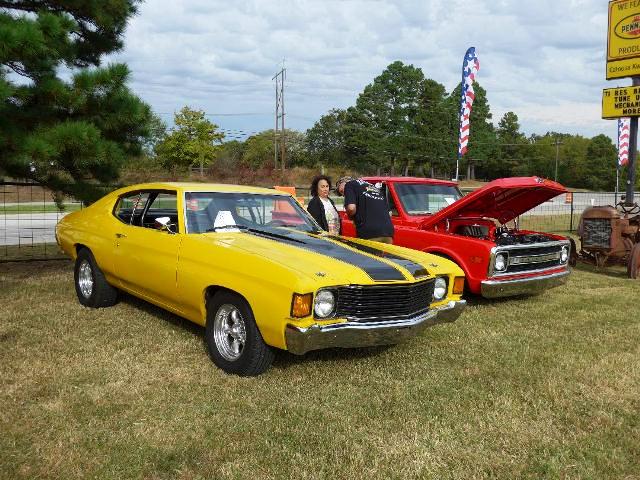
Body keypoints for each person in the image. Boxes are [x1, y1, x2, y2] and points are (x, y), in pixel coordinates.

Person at [335, 176, 394, 243]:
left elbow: (351, 208)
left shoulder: (349, 184)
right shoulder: (373, 187)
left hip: (369, 233)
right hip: (388, 233)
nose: (344, 194)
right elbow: (389, 213)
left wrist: (350, 217)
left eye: (342, 191)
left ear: (343, 183)